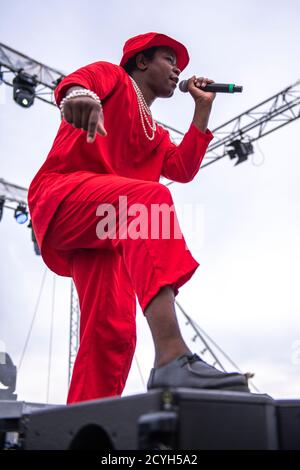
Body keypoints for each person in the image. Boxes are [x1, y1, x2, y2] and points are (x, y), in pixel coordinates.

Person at [28, 32, 250, 404]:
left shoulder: (156, 132)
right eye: (169, 59)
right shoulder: (112, 77)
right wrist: (79, 98)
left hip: (108, 229)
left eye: (179, 64)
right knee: (149, 199)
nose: (178, 69)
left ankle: (87, 422)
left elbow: (182, 168)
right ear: (142, 62)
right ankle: (172, 356)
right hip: (66, 198)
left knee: (112, 332)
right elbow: (77, 84)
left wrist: (203, 108)